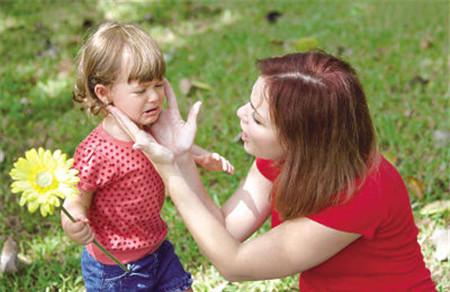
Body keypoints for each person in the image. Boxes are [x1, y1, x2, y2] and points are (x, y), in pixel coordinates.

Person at [109, 50, 436, 291]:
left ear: (302, 140)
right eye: (250, 105)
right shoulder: (285, 157)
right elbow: (226, 232)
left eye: (258, 118)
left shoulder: (361, 191)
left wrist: (172, 172)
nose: (240, 114)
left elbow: (234, 264)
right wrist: (179, 157)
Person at [61, 22, 233, 292]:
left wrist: (201, 156)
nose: (154, 97)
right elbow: (75, 196)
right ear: (104, 93)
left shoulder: (152, 127)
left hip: (157, 248)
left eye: (157, 85)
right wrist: (73, 220)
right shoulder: (97, 151)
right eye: (140, 90)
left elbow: (173, 147)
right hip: (116, 267)